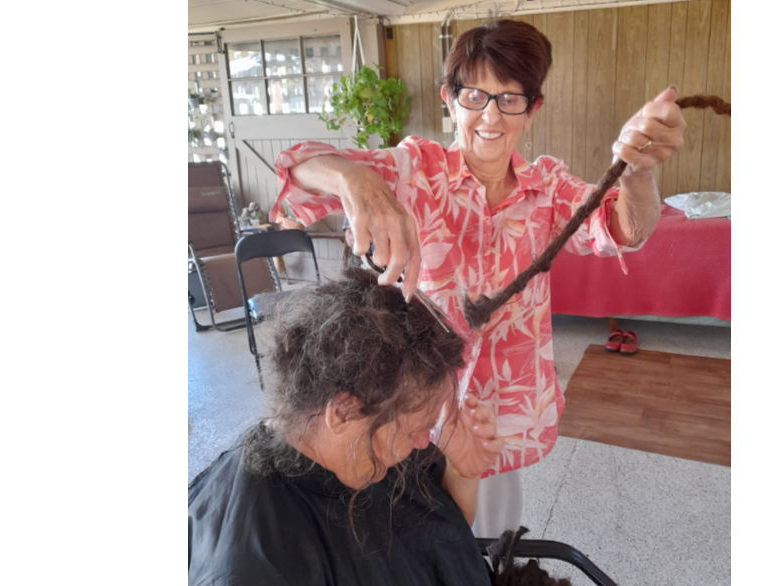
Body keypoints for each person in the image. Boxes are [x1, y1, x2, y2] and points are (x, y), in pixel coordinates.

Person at [270, 19, 687, 537]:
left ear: (532, 110)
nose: (490, 115)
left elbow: (624, 227)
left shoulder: (550, 189)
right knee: (407, 539)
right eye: (475, 96)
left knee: (488, 540)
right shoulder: (415, 170)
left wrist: (638, 173)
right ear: (450, 99)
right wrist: (354, 178)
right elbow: (296, 169)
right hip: (414, 408)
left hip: (501, 417)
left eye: (510, 99)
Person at [188, 267, 504, 585]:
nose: (425, 442)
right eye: (415, 430)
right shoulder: (256, 568)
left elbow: (440, 549)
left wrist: (462, 474)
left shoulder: (372, 437)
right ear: (340, 412)